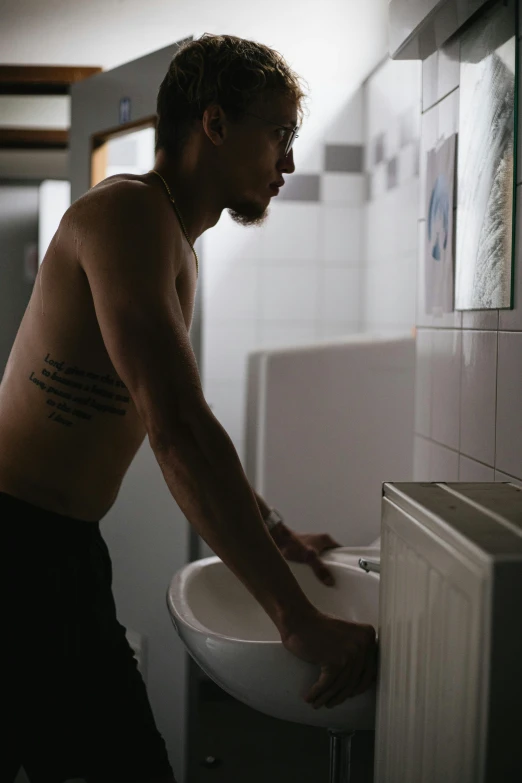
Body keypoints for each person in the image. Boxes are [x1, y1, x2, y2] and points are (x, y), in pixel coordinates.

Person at [2, 33, 378, 783]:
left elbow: (172, 422)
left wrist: (272, 529)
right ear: (214, 123)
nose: (289, 161)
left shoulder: (169, 237)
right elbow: (177, 426)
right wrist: (293, 615)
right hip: (19, 547)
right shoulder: (129, 216)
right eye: (277, 133)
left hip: (53, 549)